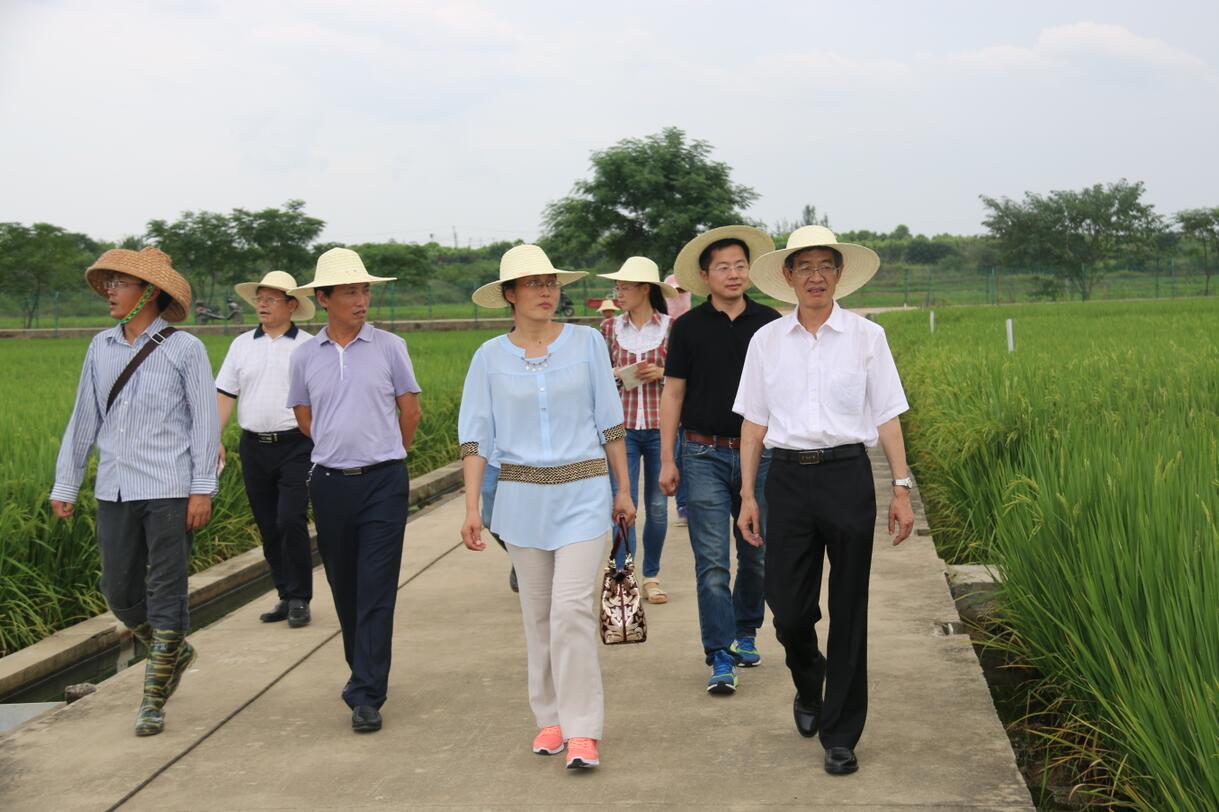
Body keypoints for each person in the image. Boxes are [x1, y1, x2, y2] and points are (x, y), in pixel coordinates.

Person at [734, 226, 915, 776]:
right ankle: (809, 681)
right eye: (804, 267)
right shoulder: (766, 341)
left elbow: (886, 414)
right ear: (787, 277)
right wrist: (747, 493)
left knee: (850, 608)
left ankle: (841, 732)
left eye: (825, 267)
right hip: (786, 480)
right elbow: (753, 423)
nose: (815, 276)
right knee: (788, 611)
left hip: (846, 478)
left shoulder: (866, 337)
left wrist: (901, 489)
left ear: (839, 275)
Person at [458, 244, 635, 771]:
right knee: (537, 614)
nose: (545, 292)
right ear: (509, 295)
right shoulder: (488, 357)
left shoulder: (585, 343)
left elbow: (610, 421)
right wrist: (472, 508)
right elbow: (475, 438)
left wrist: (623, 490)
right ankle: (551, 718)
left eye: (550, 283)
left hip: (584, 494)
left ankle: (583, 730)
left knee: (571, 611)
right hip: (519, 501)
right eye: (532, 284)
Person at [50, 247, 219, 736]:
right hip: (115, 488)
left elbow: (206, 425)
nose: (110, 291)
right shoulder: (100, 347)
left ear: (148, 292)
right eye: (110, 283)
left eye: (120, 283)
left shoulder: (185, 349)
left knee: (166, 591)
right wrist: (68, 482)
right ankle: (175, 651)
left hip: (170, 487)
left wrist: (201, 490)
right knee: (119, 591)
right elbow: (85, 418)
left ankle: (152, 701)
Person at [286, 248, 422, 733]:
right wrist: (339, 445)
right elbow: (304, 416)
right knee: (344, 586)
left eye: (364, 290)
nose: (361, 299)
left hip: (384, 481)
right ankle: (361, 670)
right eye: (349, 292)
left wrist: (387, 453)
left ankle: (366, 691)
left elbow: (410, 411)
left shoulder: (389, 347)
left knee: (377, 587)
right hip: (328, 484)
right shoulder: (304, 355)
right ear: (323, 299)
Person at [659, 226, 780, 695]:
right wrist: (669, 458)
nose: (733, 274)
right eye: (723, 267)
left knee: (758, 554)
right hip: (703, 453)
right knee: (711, 561)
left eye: (740, 265)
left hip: (762, 456)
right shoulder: (687, 328)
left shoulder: (769, 323)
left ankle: (746, 630)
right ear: (705, 277)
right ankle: (718, 654)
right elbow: (673, 393)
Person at [216, 271, 316, 628]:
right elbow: (226, 393)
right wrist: (216, 437)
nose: (262, 304)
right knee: (268, 524)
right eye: (259, 298)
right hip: (254, 446)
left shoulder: (308, 345)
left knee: (290, 519)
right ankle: (285, 595)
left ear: (292, 305)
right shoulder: (242, 345)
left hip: (297, 445)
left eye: (271, 299)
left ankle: (301, 597)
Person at [597, 257, 679, 604]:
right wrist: (620, 373)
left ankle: (651, 576)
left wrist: (661, 374)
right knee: (623, 504)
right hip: (623, 429)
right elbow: (598, 378)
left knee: (658, 508)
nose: (619, 293)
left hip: (663, 428)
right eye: (618, 287)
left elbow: (684, 376)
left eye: (625, 287)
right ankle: (620, 575)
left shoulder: (674, 327)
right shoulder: (608, 330)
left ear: (645, 289)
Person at [662, 273, 691, 525]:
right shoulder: (668, 326)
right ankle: (683, 504)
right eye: (674, 292)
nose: (678, 296)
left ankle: (686, 502)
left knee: (685, 453)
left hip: (690, 402)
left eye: (682, 292)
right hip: (670, 401)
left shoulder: (692, 324)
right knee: (677, 453)